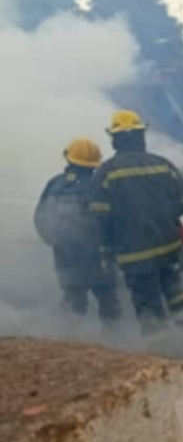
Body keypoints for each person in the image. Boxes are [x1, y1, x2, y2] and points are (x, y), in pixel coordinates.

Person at [89, 111, 183, 327]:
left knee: (147, 303)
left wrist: (106, 250)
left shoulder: (106, 171)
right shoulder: (162, 164)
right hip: (169, 247)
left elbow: (101, 217)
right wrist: (165, 214)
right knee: (175, 292)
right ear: (141, 136)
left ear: (115, 139)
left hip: (134, 252)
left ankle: (163, 350)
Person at [35, 138, 120, 323]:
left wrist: (57, 242)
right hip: (99, 255)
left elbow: (40, 218)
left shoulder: (54, 184)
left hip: (66, 256)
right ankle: (116, 343)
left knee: (74, 303)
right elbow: (113, 219)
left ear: (68, 158)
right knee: (108, 303)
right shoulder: (102, 184)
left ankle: (71, 342)